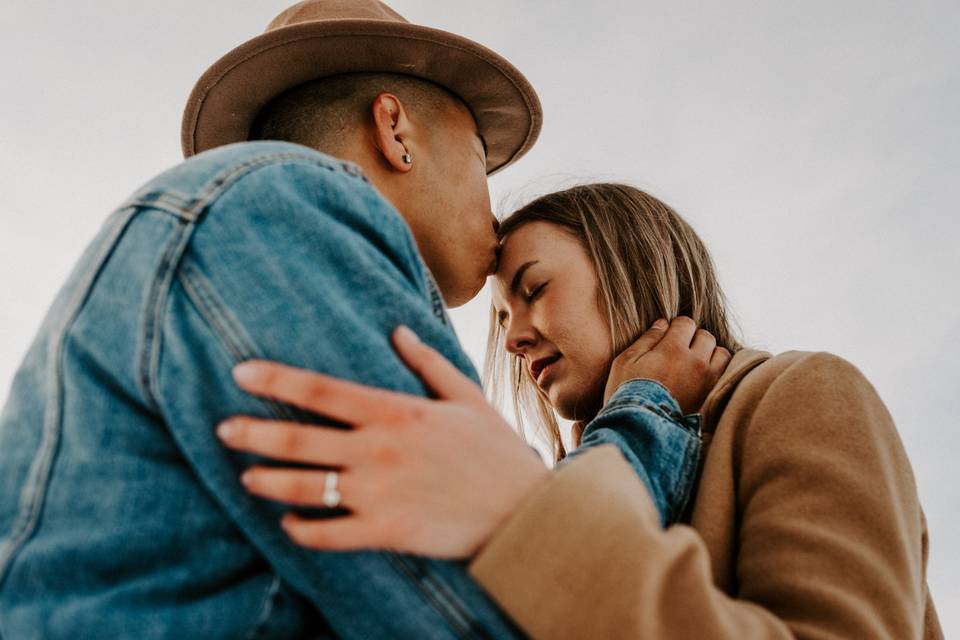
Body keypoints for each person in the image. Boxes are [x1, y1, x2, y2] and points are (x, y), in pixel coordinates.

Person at [0, 2, 725, 638]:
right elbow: (507, 614)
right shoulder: (288, 213)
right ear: (394, 129)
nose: (494, 208)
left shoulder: (250, 227)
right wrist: (647, 411)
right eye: (480, 158)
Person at [220, 183, 943, 639]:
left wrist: (520, 520)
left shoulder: (798, 392)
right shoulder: (579, 476)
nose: (514, 334)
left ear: (632, 264)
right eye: (501, 317)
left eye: (534, 289)